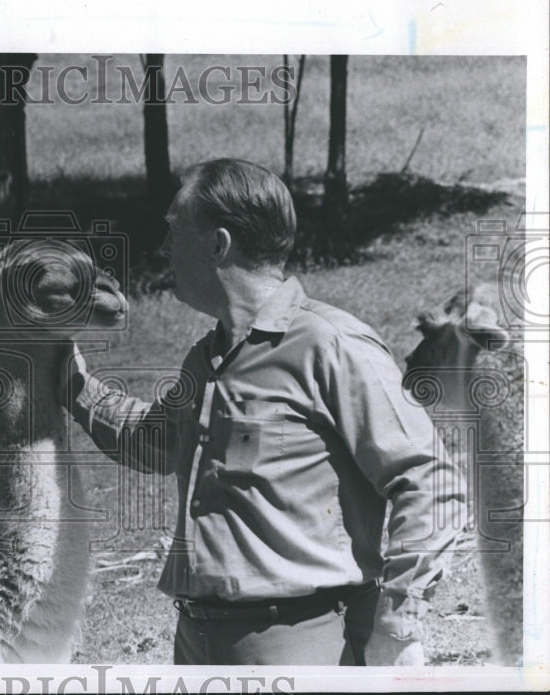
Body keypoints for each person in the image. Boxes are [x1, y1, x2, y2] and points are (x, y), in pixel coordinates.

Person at [60, 159, 466, 665]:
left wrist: (399, 622)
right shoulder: (206, 357)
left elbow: (431, 479)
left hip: (307, 645)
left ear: (218, 244)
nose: (162, 248)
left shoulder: (329, 343)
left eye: (173, 230)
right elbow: (154, 440)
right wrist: (67, 376)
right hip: (197, 643)